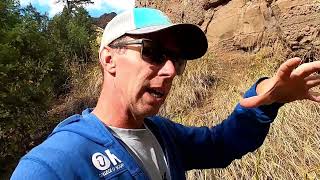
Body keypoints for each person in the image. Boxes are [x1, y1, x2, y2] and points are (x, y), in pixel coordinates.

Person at [11, 7, 320, 180]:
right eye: (154, 53)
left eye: (177, 61)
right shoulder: (50, 167)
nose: (171, 71)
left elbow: (221, 144)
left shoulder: (161, 134)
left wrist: (269, 96)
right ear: (109, 59)